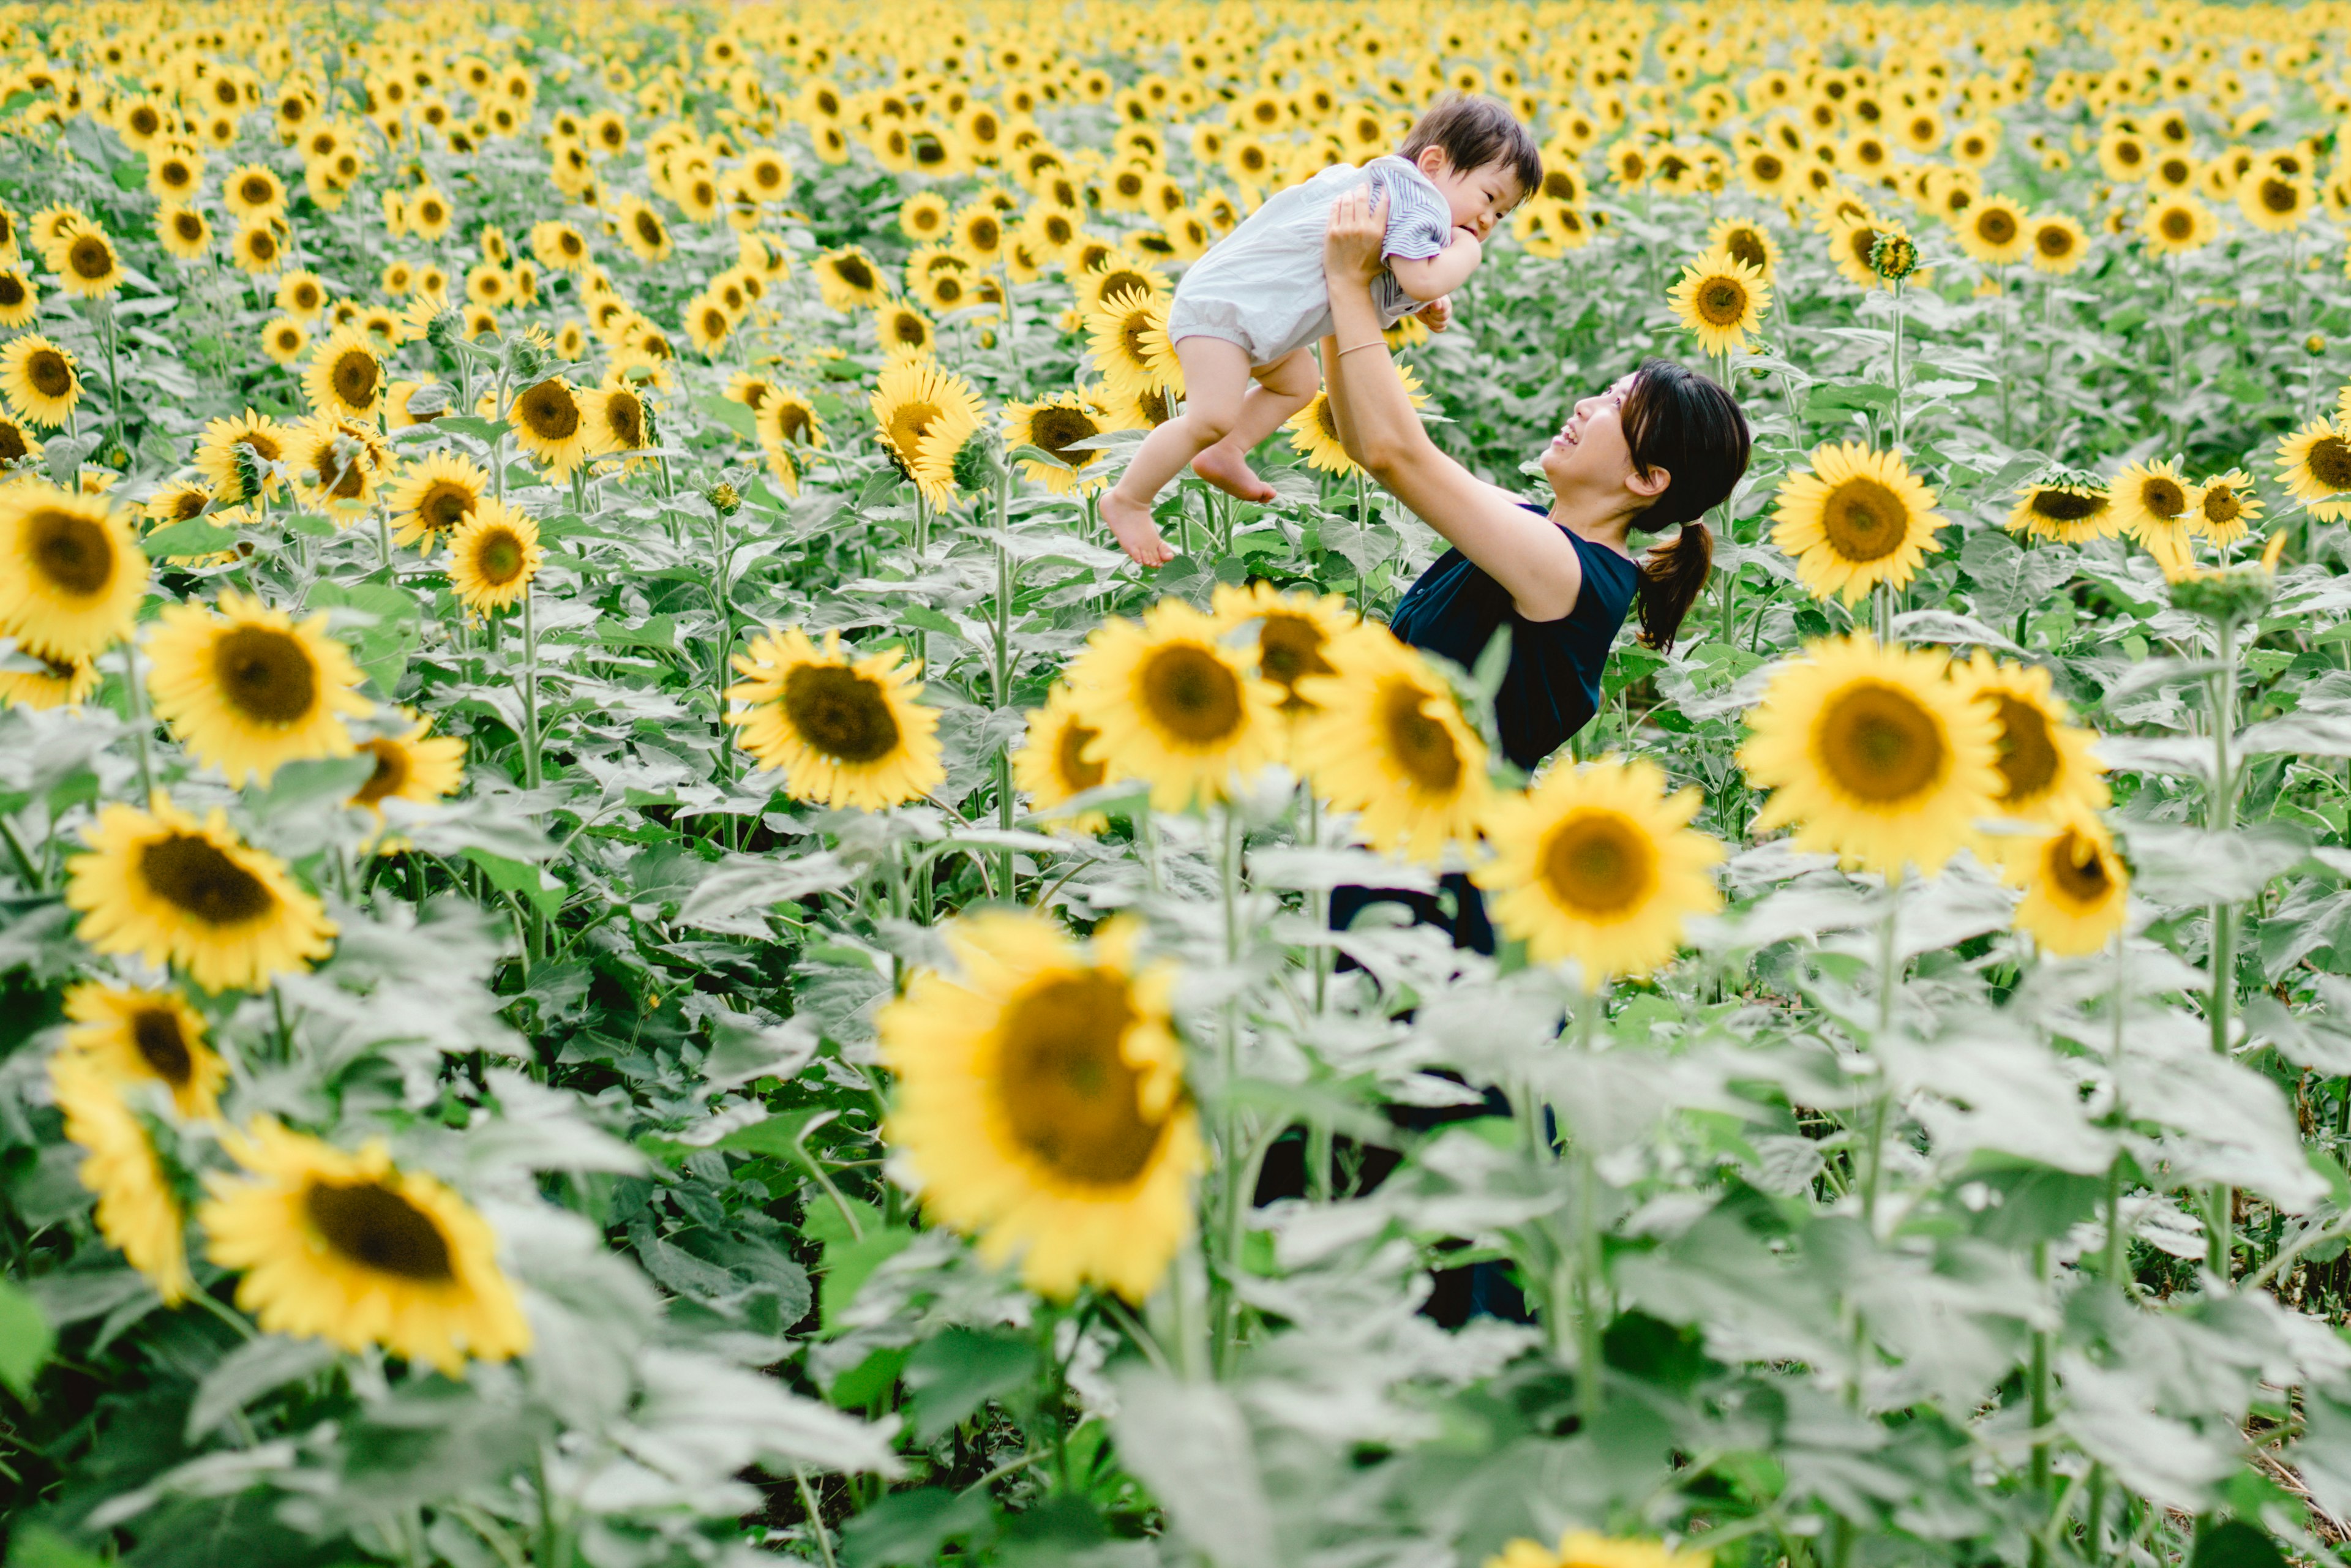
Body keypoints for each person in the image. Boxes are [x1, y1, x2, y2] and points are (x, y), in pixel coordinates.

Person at [1316, 182, 1753, 954]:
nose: (1586, 404)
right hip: (1402, 833)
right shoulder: (1527, 529)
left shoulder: (1567, 574)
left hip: (1446, 881)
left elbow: (1398, 453)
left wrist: (1352, 287)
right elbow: (1364, 443)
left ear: (1648, 479)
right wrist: (1336, 303)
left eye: (1616, 405)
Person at [1095, 94, 1540, 569]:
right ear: (1433, 164)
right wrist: (1463, 255)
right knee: (1210, 416)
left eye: (1502, 215)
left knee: (1299, 383)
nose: (1488, 222)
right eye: (1490, 199)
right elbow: (1422, 275)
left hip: (1257, 315)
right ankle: (1130, 498)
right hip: (1227, 310)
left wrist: (1424, 302)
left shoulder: (1392, 192)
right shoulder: (1418, 198)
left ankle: (1228, 450)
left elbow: (1388, 275)